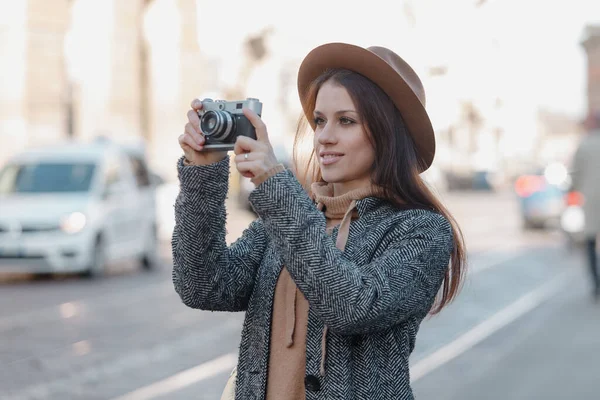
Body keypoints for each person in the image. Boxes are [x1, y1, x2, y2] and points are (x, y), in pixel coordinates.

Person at [173, 43, 467, 400]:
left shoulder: (420, 230)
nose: (325, 136)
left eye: (346, 121)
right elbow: (204, 285)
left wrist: (274, 185)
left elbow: (353, 306)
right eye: (319, 120)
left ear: (388, 132)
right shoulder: (290, 216)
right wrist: (202, 174)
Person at [571, 112, 600, 300]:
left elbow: (575, 173)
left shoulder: (585, 145)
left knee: (590, 241)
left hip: (591, 199)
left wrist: (573, 189)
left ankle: (596, 284)